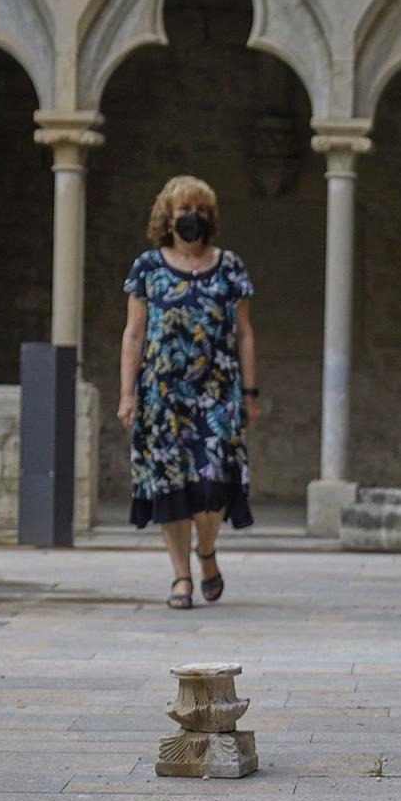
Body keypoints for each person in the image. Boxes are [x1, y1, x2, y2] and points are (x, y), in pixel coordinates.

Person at [119, 175, 260, 609]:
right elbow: (133, 334)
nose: (192, 217)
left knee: (213, 484)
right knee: (169, 486)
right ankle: (182, 576)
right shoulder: (147, 267)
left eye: (200, 210)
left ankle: (207, 551)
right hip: (162, 396)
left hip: (217, 394)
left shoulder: (230, 266)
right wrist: (127, 393)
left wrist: (250, 392)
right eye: (184, 210)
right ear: (168, 215)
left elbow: (245, 333)